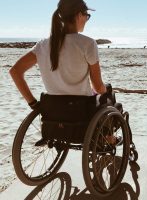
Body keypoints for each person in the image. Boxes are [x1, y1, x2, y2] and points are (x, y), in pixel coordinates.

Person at [9, 0, 119, 143]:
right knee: (110, 95)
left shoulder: (43, 45)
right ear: (79, 15)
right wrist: (106, 90)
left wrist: (33, 104)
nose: (87, 19)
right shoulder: (87, 44)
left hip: (53, 111)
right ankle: (109, 138)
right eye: (87, 15)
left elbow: (15, 71)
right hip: (82, 111)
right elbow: (98, 87)